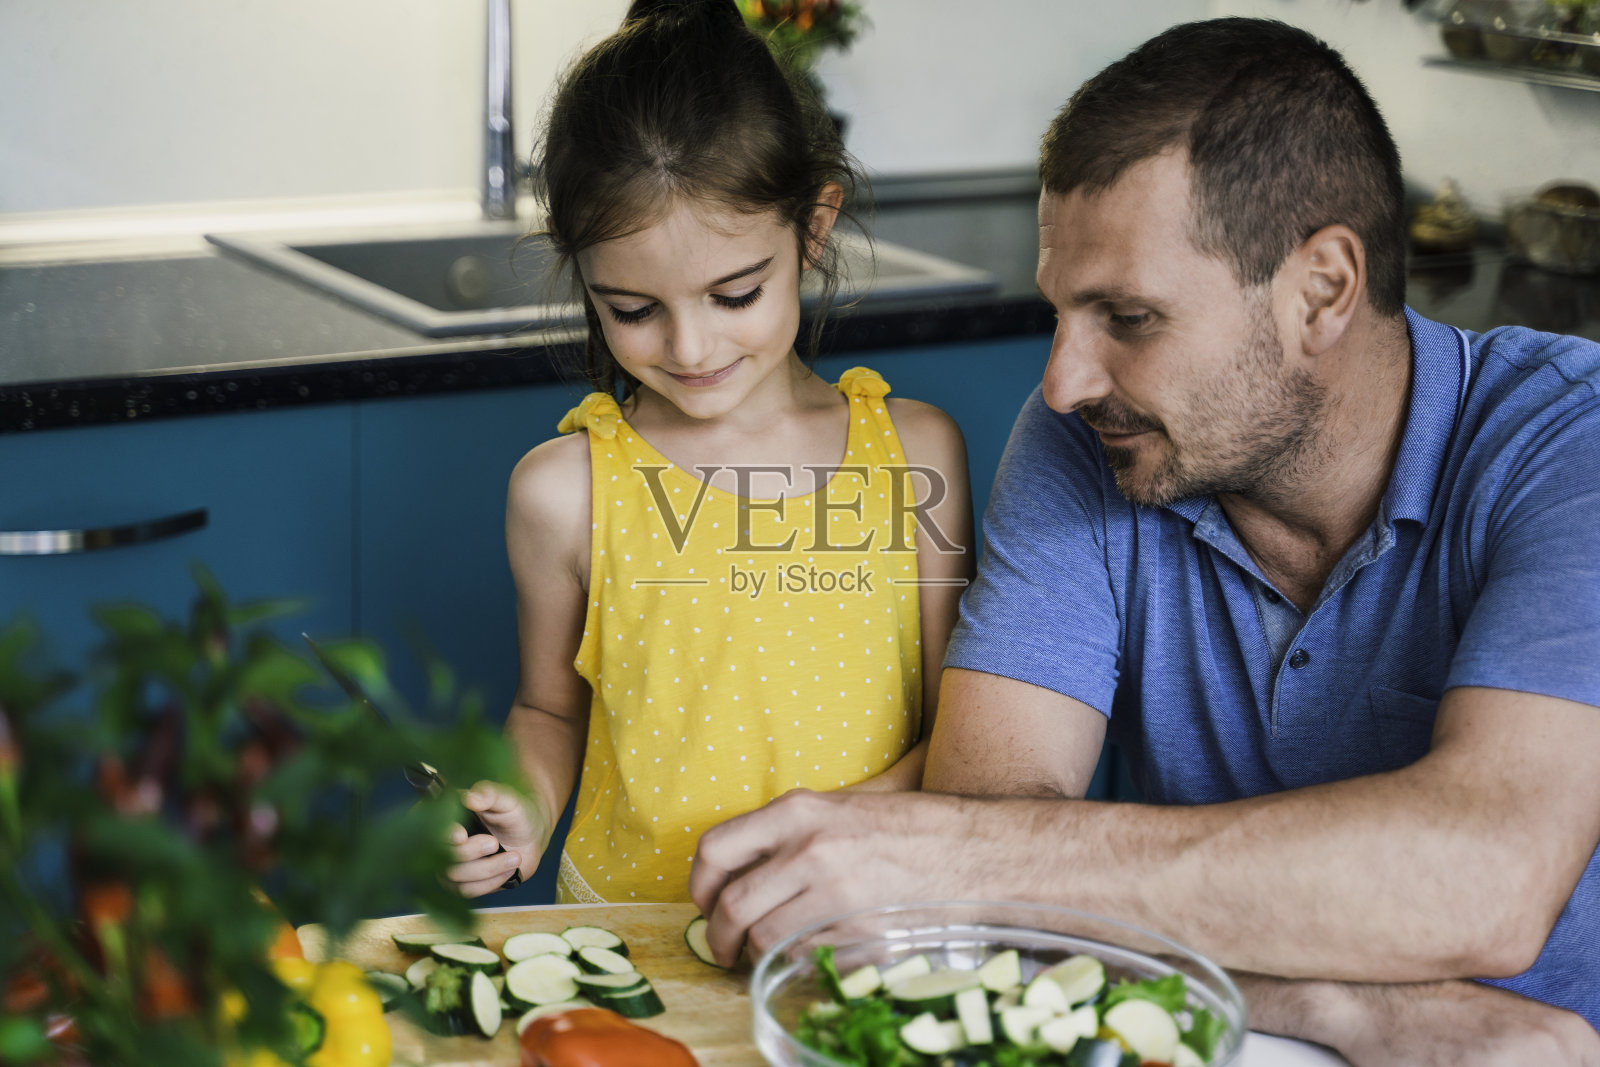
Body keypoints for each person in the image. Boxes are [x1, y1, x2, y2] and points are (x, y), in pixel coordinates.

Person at [687, 17, 1600, 1064]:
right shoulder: (1089, 441)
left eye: (1127, 316)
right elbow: (995, 825)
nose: (1062, 380)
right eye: (1063, 312)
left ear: (1323, 290)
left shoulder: (1567, 446)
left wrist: (960, 854)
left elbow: (1484, 878)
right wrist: (1345, 1005)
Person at [443, 0, 973, 905]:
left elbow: (962, 732)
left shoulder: (916, 455)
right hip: (631, 943)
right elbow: (545, 710)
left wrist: (822, 848)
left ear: (812, 228)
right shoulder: (563, 492)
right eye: (634, 310)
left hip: (860, 925)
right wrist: (520, 801)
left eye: (734, 294)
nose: (689, 349)